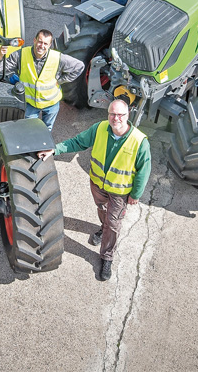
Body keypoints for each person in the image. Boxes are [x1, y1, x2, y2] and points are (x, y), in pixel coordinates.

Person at [39, 99, 151, 281]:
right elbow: (78, 142)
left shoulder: (139, 142)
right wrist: (55, 150)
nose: (116, 118)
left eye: (120, 115)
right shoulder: (99, 128)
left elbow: (143, 171)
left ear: (128, 115)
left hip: (120, 192)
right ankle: (102, 227)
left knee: (114, 224)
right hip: (98, 185)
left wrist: (135, 194)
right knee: (103, 211)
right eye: (112, 114)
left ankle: (107, 257)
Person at [0, 29, 84, 131]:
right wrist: (0, 55)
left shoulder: (58, 58)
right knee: (29, 130)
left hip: (51, 104)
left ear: (50, 45)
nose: (42, 46)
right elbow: (0, 70)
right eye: (40, 41)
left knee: (47, 130)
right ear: (34, 40)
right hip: (30, 104)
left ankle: (43, 146)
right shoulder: (21, 54)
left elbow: (79, 66)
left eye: (45, 43)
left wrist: (61, 81)